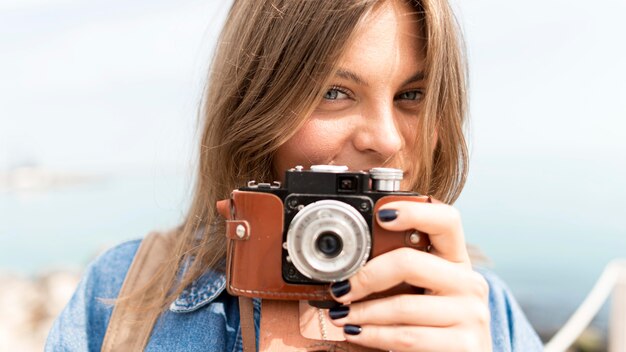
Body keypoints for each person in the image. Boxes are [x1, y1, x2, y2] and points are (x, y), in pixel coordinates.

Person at [46, 0, 544, 351]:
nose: (386, 138)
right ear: (257, 103)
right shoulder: (121, 293)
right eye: (334, 91)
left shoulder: (482, 310)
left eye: (411, 95)